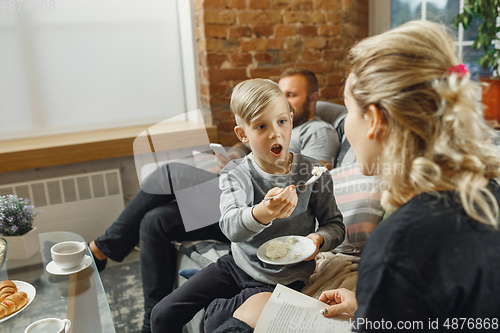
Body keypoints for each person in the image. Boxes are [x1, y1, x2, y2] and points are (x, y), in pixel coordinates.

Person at [212, 20, 500, 333]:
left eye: (348, 111)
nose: (346, 125)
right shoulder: (487, 197)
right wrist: (365, 307)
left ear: (374, 120)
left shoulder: (395, 249)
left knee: (231, 322)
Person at [88, 69, 342, 333]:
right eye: (261, 126)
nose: (275, 133)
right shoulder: (237, 172)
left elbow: (334, 224)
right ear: (243, 134)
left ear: (291, 119)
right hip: (237, 264)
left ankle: (104, 251)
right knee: (161, 315)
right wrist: (262, 212)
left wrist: (318, 239)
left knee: (215, 322)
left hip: (283, 280)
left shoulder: (313, 170)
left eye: (281, 122)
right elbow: (230, 227)